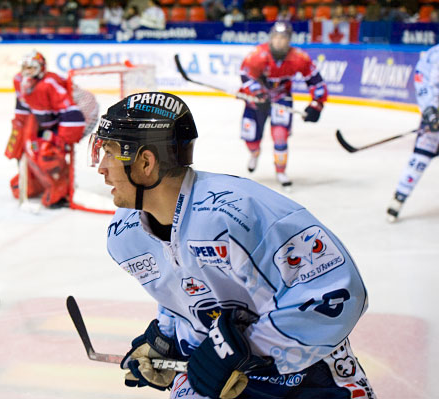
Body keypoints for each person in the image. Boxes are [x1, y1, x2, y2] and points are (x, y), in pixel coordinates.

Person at [87, 91, 376, 398]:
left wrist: (244, 351)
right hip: (216, 377)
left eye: (110, 152)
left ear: (146, 162)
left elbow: (337, 295)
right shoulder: (125, 234)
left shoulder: (239, 213)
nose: (102, 167)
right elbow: (184, 287)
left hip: (306, 377)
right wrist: (166, 339)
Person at [238, 21, 327, 188]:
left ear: (289, 40)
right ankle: (254, 152)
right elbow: (245, 75)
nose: (279, 41)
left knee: (280, 135)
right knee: (251, 138)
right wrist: (258, 93)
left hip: (281, 97)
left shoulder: (299, 58)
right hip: (257, 99)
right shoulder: (258, 55)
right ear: (271, 38)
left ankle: (280, 171)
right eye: (276, 37)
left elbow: (316, 81)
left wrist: (317, 104)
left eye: (283, 38)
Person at [4, 50, 97, 207]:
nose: (27, 72)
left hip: (76, 117)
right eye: (25, 68)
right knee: (29, 149)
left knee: (49, 155)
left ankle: (62, 191)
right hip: (46, 120)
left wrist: (63, 139)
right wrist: (19, 129)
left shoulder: (49, 83)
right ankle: (34, 184)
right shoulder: (20, 80)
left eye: (31, 68)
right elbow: (23, 107)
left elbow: (70, 112)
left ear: (41, 68)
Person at [387, 44, 439, 222]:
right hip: (435, 118)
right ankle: (399, 198)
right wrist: (430, 111)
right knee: (420, 159)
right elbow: (421, 79)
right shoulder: (434, 55)